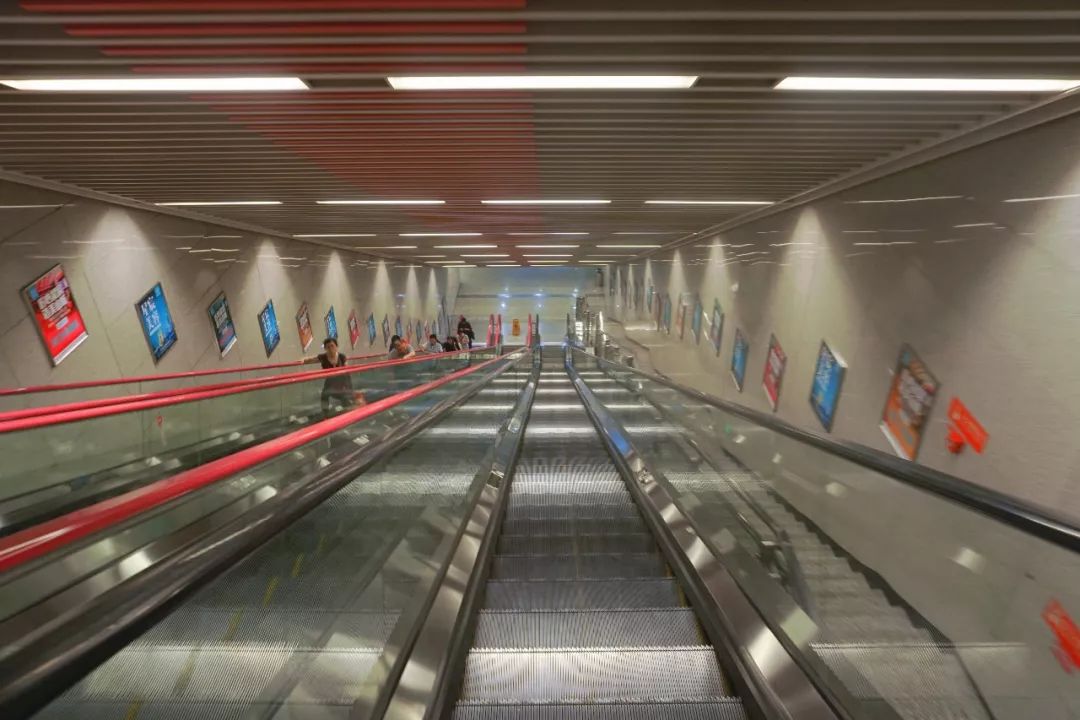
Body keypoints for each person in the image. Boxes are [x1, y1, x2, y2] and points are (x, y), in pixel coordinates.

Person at [317, 337, 364, 416]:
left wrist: (348, 386)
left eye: (332, 346)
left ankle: (350, 413)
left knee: (345, 397)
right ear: (325, 348)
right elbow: (311, 360)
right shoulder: (323, 357)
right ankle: (325, 413)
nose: (330, 349)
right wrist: (303, 361)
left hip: (342, 381)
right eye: (328, 347)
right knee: (324, 395)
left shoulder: (341, 356)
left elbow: (346, 369)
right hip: (330, 382)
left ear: (336, 346)